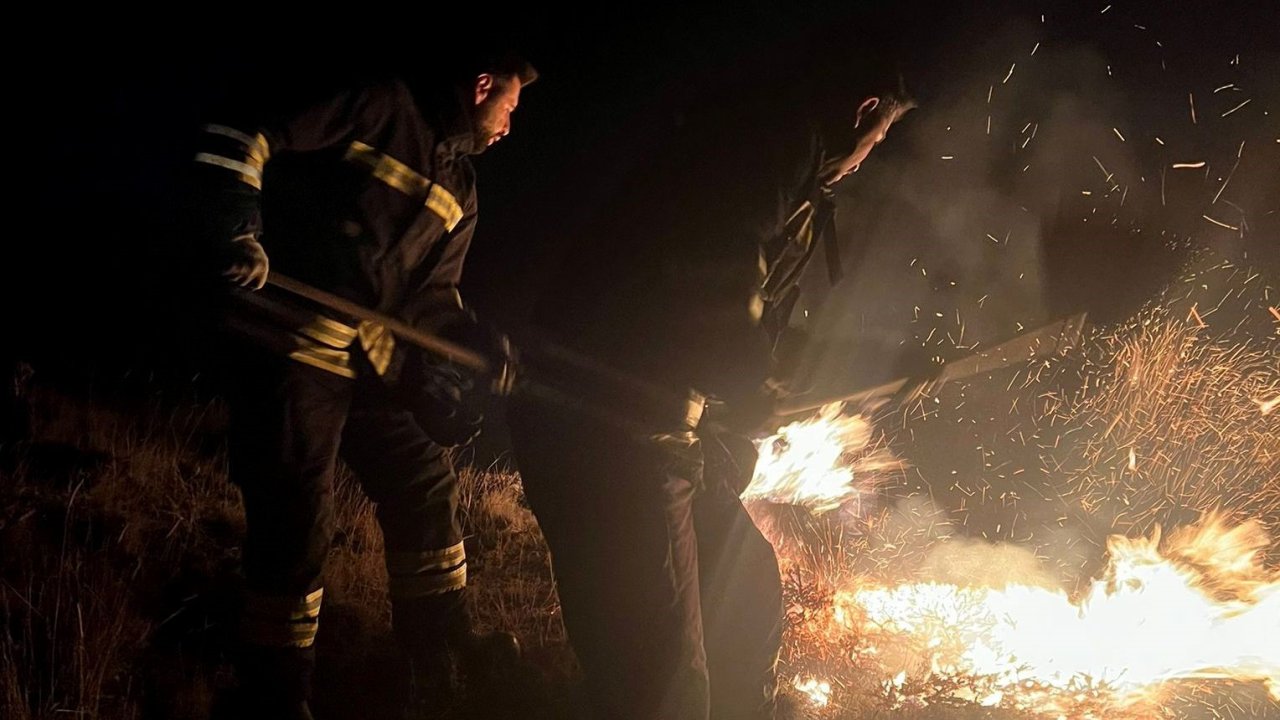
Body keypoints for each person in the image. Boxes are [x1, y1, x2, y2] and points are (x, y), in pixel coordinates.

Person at [508, 28, 914, 720]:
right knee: (659, 678)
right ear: (862, 108)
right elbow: (717, 272)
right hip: (603, 424)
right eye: (877, 138)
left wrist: (746, 413)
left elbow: (752, 321)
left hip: (661, 427)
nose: (866, 159)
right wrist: (751, 385)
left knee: (745, 593)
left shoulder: (798, 187)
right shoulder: (769, 140)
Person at [185, 49, 537, 719]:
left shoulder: (460, 188)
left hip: (370, 361)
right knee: (296, 516)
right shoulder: (380, 103)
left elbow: (432, 299)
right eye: (510, 106)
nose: (510, 125)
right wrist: (238, 229)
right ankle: (276, 689)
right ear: (483, 85)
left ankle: (438, 650)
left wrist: (475, 345)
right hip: (290, 344)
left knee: (425, 483)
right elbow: (246, 131)